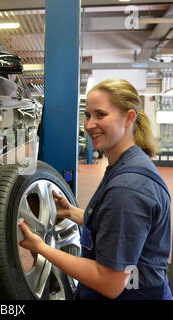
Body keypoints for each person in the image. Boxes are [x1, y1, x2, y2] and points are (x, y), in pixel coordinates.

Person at [19, 78, 173, 300]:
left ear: (129, 118)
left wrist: (42, 248)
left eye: (101, 115)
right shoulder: (127, 164)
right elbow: (117, 226)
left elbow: (110, 283)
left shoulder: (127, 189)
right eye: (88, 115)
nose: (90, 124)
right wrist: (72, 213)